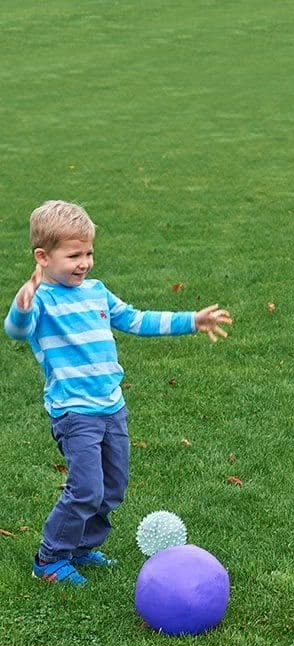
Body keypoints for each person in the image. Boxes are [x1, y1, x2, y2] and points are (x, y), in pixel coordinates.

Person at [4, 200, 232, 586]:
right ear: (42, 257)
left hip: (113, 407)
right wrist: (22, 306)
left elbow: (137, 319)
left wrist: (191, 320)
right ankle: (50, 558)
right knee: (86, 489)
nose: (85, 262)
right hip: (75, 413)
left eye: (89, 253)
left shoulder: (95, 292)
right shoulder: (40, 300)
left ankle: (81, 546)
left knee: (112, 488)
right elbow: (17, 331)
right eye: (74, 255)